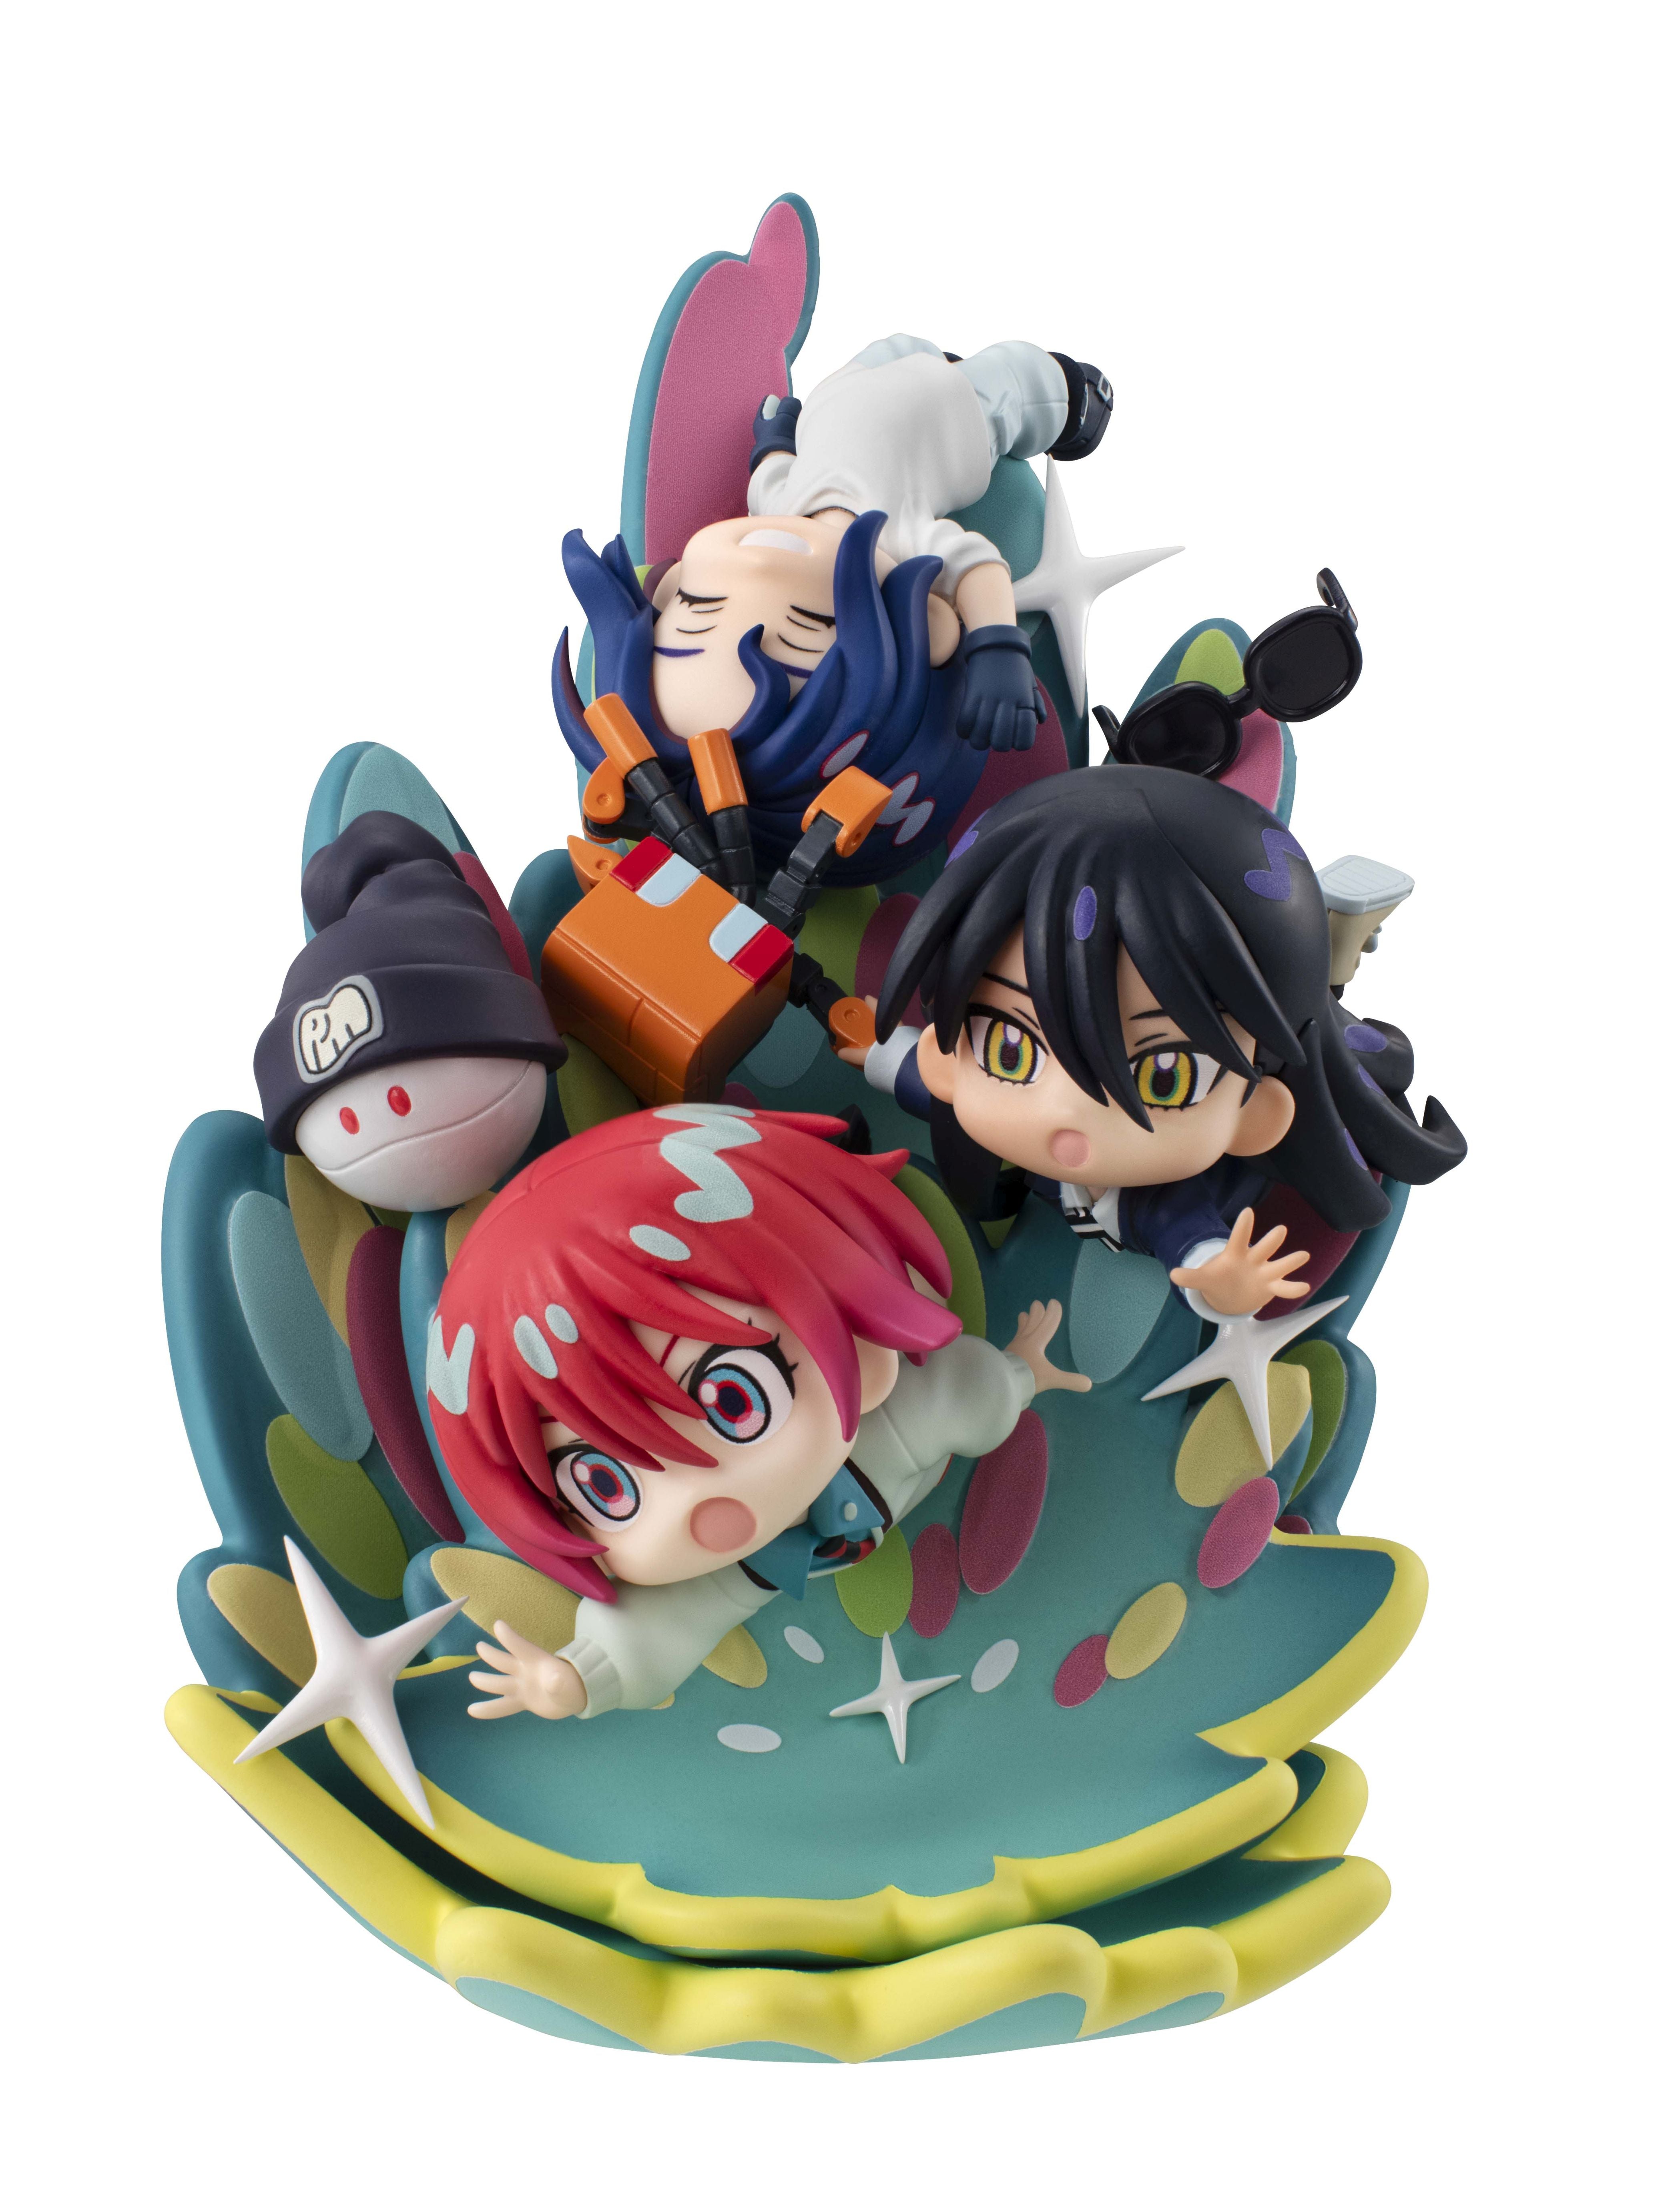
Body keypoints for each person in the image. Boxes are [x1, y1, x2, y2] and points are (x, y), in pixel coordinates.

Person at [424, 1104, 1089, 1721]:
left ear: (857, 1340)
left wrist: (1018, 1374)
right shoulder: (715, 1575)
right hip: (766, 1569)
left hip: (887, 1447)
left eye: (734, 1399)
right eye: (604, 1485)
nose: (699, 1504)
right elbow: (655, 1631)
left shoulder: (909, 1397)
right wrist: (577, 1682)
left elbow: (971, 1394)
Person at [850, 766, 1466, 1326]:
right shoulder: (969, 1096)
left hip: (1250, 1083)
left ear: (1255, 1115)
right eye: (1010, 1050)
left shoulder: (1164, 1199)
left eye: (1163, 1077)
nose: (1065, 1108)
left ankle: (1333, 943)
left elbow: (1195, 1252)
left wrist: (1223, 1288)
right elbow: (924, 1081)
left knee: (1297, 1001)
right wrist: (874, 1049)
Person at [551, 339, 1112, 884]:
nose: (757, 566)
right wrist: (997, 647)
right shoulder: (899, 534)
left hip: (843, 388)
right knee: (1017, 382)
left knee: (896, 346)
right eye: (805, 625)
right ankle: (1072, 390)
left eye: (700, 607)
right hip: (954, 408)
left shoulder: (774, 502)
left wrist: (775, 442)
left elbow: (773, 472)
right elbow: (979, 568)